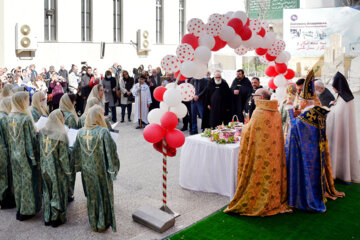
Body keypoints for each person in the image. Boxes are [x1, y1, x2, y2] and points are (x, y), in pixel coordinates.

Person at [285, 70, 344, 212]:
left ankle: (306, 199)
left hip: (305, 156)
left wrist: (290, 109)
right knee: (315, 176)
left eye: (301, 101)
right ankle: (317, 194)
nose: (300, 103)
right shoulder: (317, 112)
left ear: (305, 101)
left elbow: (294, 129)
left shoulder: (306, 117)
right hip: (316, 153)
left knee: (307, 177)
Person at [225, 90, 289, 216]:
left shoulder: (259, 112)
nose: (253, 98)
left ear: (261, 97)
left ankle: (259, 198)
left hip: (260, 155)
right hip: (274, 154)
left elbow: (249, 131)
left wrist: (243, 128)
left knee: (259, 175)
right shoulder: (275, 111)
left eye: (254, 96)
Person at [72, 105, 120, 232]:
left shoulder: (81, 132)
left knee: (92, 196)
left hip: (87, 171)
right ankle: (102, 223)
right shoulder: (102, 132)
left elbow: (76, 152)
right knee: (103, 195)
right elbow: (111, 152)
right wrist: (113, 169)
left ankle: (94, 222)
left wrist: (78, 166)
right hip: (101, 171)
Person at [8, 91, 41, 220]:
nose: (29, 102)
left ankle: (20, 208)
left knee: (18, 182)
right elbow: (30, 140)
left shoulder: (10, 116)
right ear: (21, 102)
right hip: (26, 155)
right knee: (28, 182)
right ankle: (27, 211)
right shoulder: (26, 118)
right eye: (27, 100)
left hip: (14, 154)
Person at [39, 109, 71, 227]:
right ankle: (56, 218)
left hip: (45, 167)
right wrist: (68, 171)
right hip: (57, 170)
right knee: (58, 191)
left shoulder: (42, 131)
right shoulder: (61, 134)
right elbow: (63, 158)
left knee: (47, 192)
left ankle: (47, 217)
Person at [326, 72, 360, 183]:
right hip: (340, 132)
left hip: (342, 133)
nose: (332, 87)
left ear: (339, 86)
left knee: (342, 150)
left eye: (334, 85)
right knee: (340, 150)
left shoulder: (346, 100)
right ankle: (340, 174)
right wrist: (333, 104)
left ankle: (343, 175)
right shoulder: (342, 97)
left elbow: (336, 115)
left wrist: (330, 107)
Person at [59, 93, 79, 201]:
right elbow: (74, 132)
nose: (75, 103)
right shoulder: (70, 116)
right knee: (70, 171)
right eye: (73, 101)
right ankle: (69, 193)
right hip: (69, 147)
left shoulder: (58, 113)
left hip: (59, 147)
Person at [0, 97, 16, 209]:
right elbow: (9, 135)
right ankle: (4, 200)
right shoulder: (5, 118)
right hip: (3, 150)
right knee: (5, 175)